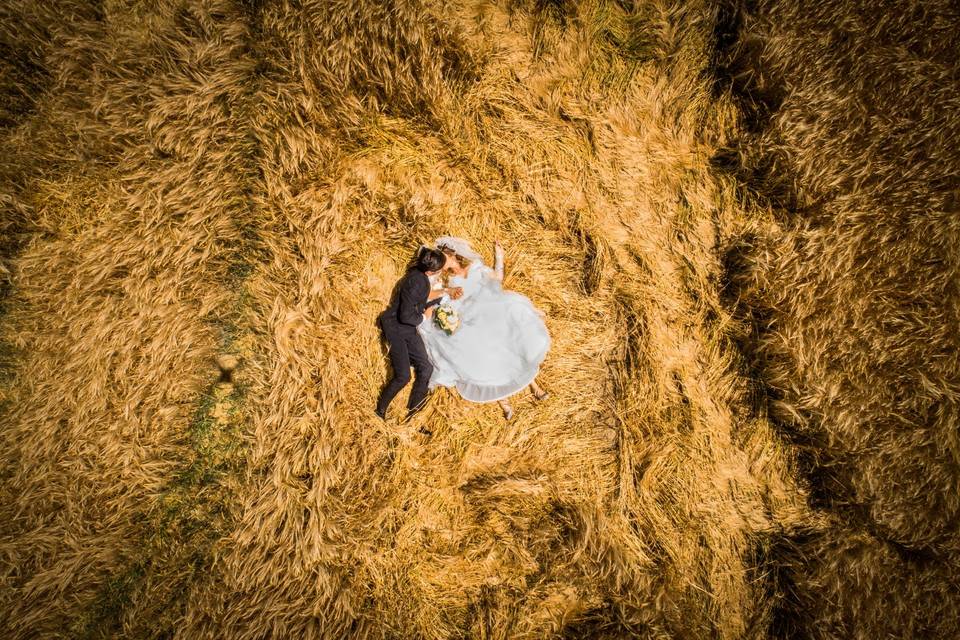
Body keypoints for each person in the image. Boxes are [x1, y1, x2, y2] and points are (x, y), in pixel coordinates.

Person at [418, 236, 550, 420]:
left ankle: (534, 386)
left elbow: (497, 280)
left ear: (451, 253)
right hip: (471, 318)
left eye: (444, 257)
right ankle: (504, 402)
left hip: (490, 310)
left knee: (510, 346)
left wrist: (499, 257)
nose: (443, 264)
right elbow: (447, 301)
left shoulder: (476, 267)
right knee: (485, 357)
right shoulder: (448, 282)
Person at [375, 246, 462, 422]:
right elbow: (406, 315)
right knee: (403, 376)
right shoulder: (418, 281)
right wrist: (423, 316)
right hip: (396, 326)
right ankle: (380, 410)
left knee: (426, 367)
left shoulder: (420, 274)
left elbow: (421, 300)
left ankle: (414, 413)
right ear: (432, 271)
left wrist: (439, 300)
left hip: (408, 328)